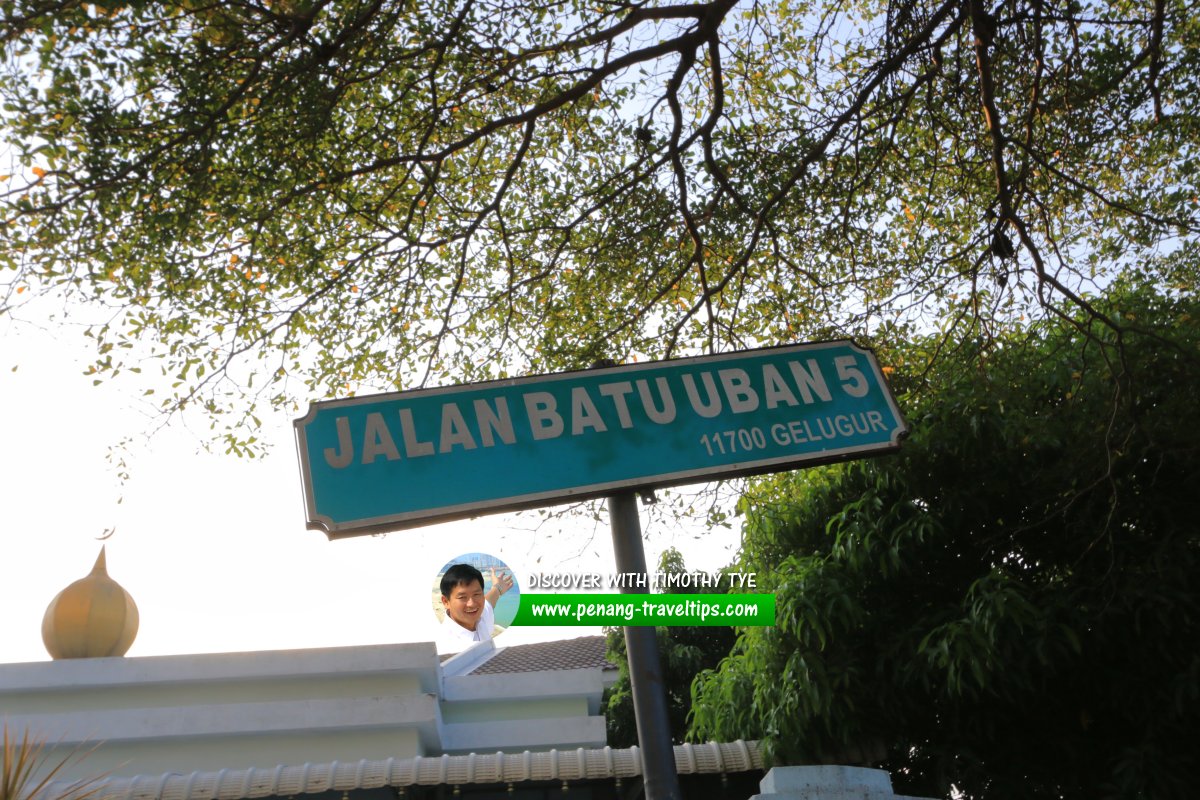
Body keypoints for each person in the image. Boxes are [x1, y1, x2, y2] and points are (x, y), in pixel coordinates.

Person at [437, 563, 513, 651]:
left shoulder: (481, 618)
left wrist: (497, 588)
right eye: (462, 597)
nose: (472, 604)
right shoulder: (445, 646)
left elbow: (489, 602)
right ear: (446, 602)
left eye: (476, 594)